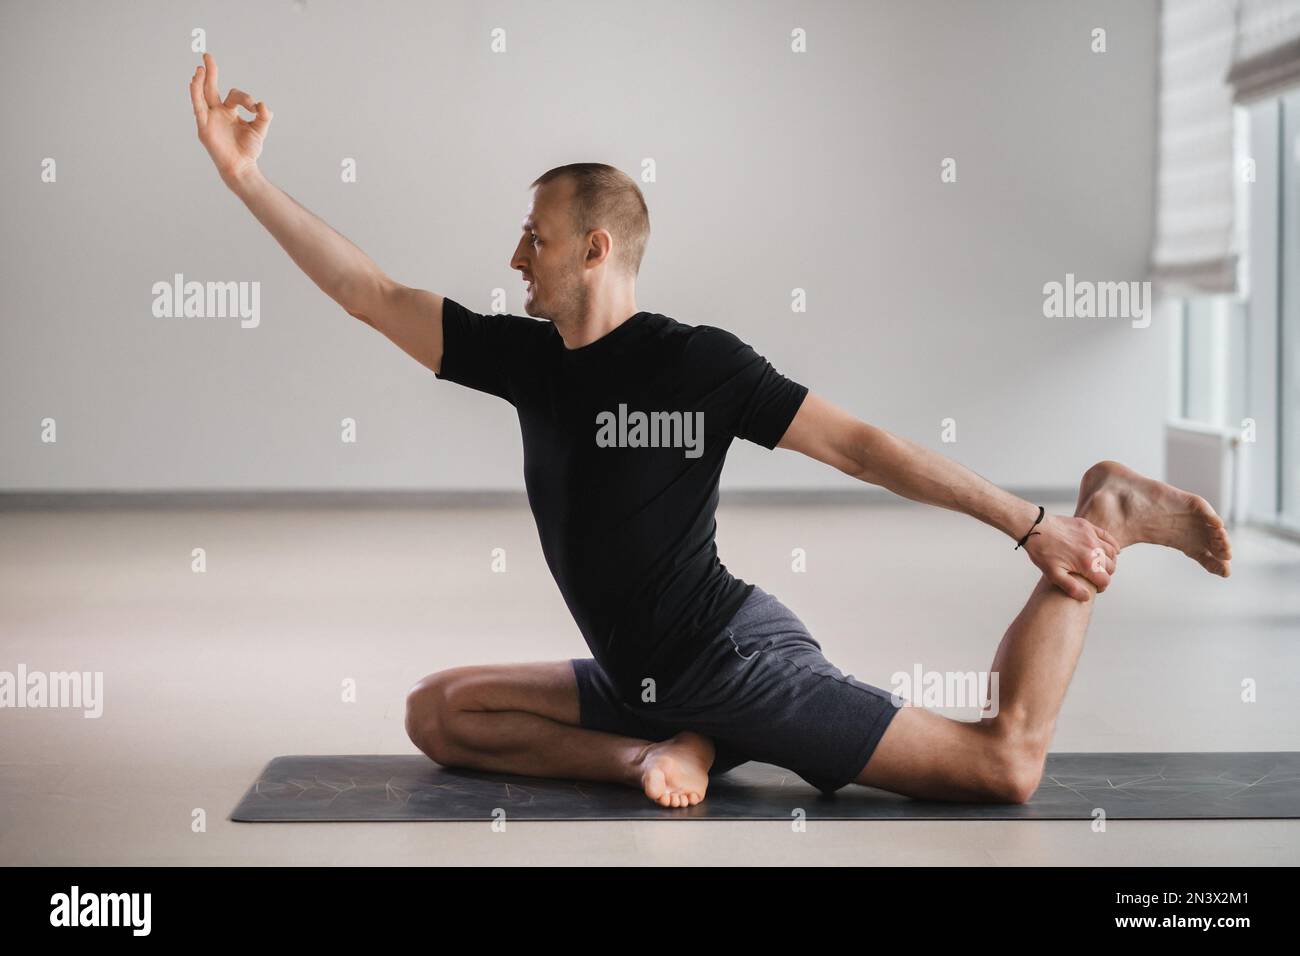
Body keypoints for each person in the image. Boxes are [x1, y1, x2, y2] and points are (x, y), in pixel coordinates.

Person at [189, 54, 1233, 808]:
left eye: (535, 237)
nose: (516, 255)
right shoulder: (527, 359)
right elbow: (369, 292)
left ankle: (1112, 510)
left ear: (595, 249)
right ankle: (659, 753)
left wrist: (1033, 520)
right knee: (436, 713)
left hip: (731, 656)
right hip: (639, 676)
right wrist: (244, 178)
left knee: (1002, 762)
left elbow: (864, 447)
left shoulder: (701, 364)